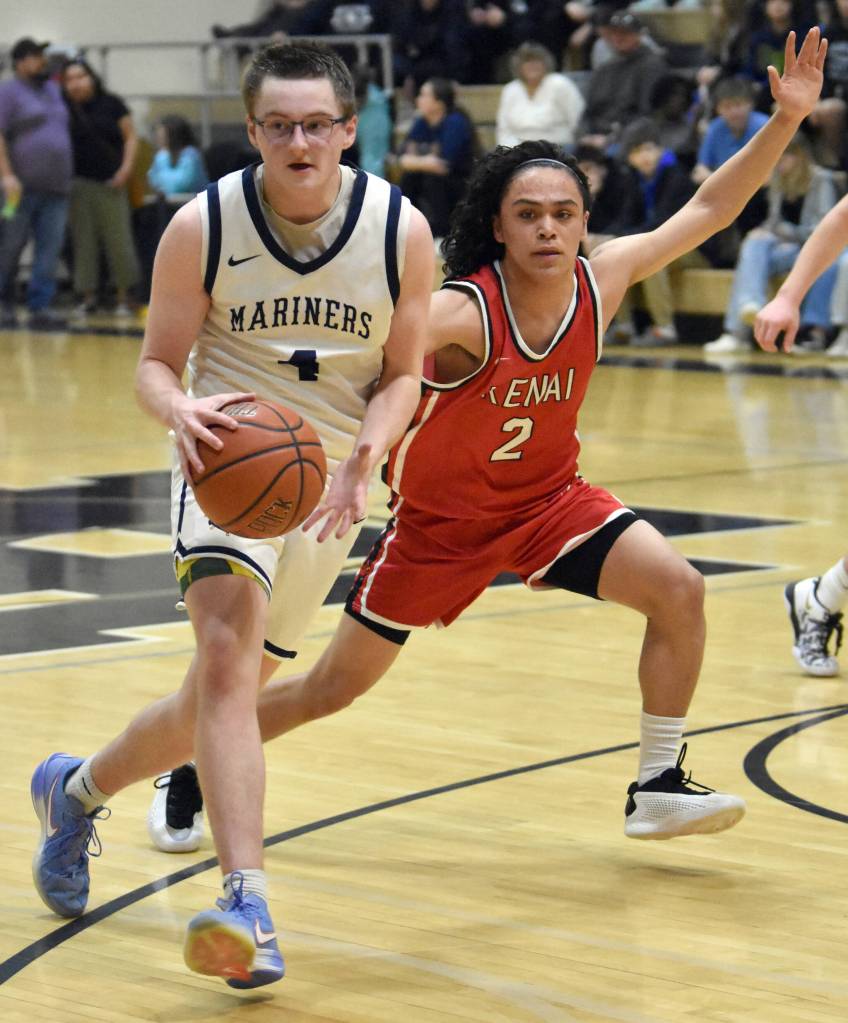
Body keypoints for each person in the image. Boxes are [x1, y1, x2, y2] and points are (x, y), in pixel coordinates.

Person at [152, 29, 826, 866]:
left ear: (586, 221)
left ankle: (657, 782)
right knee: (331, 689)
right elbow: (355, 372)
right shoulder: (459, 315)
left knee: (680, 589)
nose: (549, 229)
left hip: (551, 506)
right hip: (439, 528)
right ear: (498, 228)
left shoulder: (600, 279)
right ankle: (187, 759)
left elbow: (708, 210)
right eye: (529, 215)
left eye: (565, 214)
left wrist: (786, 120)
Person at [29, 39, 434, 989]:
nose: (300, 141)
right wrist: (179, 411)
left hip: (332, 483)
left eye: (317, 125)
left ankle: (76, 789)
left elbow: (407, 373)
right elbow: (154, 365)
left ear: (347, 129)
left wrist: (371, 452)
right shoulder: (199, 225)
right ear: (253, 131)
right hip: (227, 462)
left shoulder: (399, 230)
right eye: (279, 125)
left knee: (224, 698)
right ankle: (244, 895)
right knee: (222, 660)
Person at [705, 132, 841, 353]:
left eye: (786, 157)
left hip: (812, 248)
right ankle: (742, 322)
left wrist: (785, 233)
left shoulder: (821, 180)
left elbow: (825, 231)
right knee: (753, 244)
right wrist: (763, 232)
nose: (780, 163)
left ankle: (811, 334)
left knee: (829, 263)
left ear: (801, 157)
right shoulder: (778, 180)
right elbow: (773, 221)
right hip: (787, 249)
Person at [0, 37, 72, 328]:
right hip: (19, 189)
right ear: (20, 62)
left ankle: (40, 307)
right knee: (10, 245)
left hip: (57, 187)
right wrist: (6, 175)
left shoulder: (54, 90)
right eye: (35, 57)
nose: (42, 62)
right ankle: (3, 302)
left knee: (49, 249)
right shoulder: (8, 93)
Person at [61, 58, 140, 318]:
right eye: (69, 79)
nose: (76, 83)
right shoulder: (64, 109)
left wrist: (125, 170)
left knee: (119, 241)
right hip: (79, 184)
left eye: (80, 76)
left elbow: (130, 137)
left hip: (112, 183)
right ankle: (87, 296)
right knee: (84, 243)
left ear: (92, 77)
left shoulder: (112, 104)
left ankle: (124, 296)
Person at [395, 77, 476, 239]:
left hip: (461, 181)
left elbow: (443, 165)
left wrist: (413, 161)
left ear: (439, 103)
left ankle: (443, 235)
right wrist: (423, 162)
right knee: (409, 178)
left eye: (424, 95)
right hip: (434, 177)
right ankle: (407, 230)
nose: (419, 99)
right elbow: (401, 157)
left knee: (433, 180)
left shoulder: (455, 123)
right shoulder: (422, 122)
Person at [576, 10, 668, 152]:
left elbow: (648, 114)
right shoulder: (604, 69)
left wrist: (611, 139)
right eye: (614, 33)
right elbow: (587, 112)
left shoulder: (653, 65)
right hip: (597, 135)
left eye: (625, 33)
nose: (618, 37)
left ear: (639, 35)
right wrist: (585, 136)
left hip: (632, 139)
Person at [495, 41, 586, 150]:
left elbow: (579, 120)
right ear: (519, 67)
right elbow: (503, 129)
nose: (532, 65)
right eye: (527, 61)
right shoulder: (510, 89)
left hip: (558, 149)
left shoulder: (560, 83)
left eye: (537, 61)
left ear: (546, 63)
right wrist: (508, 150)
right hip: (518, 150)